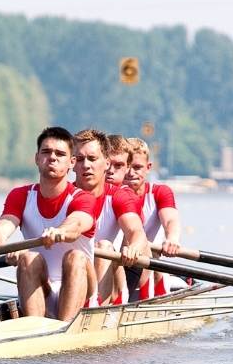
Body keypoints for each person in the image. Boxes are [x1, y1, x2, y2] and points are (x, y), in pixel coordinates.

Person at [0, 126, 96, 321]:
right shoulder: (20, 196)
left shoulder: (83, 198)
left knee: (76, 256)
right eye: (46, 152)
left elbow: (78, 223)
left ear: (72, 162)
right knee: (28, 258)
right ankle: (35, 328)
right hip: (41, 286)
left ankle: (66, 328)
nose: (52, 158)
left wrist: (60, 231)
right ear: (37, 158)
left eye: (60, 154)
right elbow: (3, 227)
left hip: (82, 289)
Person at [70, 128, 148, 304]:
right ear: (72, 163)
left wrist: (134, 247)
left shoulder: (120, 195)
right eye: (80, 159)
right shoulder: (65, 195)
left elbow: (137, 232)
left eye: (91, 159)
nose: (86, 165)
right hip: (73, 273)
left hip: (111, 274)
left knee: (104, 246)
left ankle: (95, 310)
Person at [123, 137, 182, 299]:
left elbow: (170, 220)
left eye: (137, 167)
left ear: (148, 167)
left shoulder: (159, 193)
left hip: (152, 261)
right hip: (122, 260)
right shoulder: (112, 194)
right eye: (126, 166)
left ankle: (155, 297)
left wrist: (172, 239)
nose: (130, 172)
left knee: (149, 253)